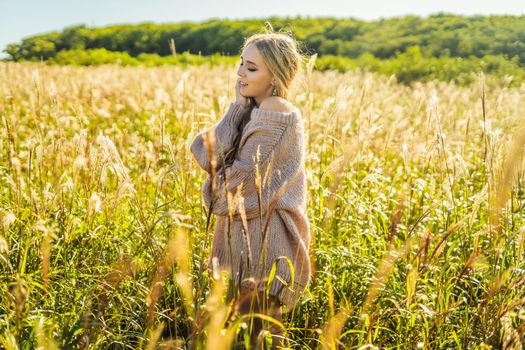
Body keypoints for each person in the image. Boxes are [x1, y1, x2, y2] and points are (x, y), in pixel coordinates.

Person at [190, 30, 311, 348]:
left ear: (275, 76)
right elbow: (208, 152)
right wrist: (238, 106)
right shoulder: (258, 109)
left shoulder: (276, 111)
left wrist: (236, 110)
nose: (241, 72)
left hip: (263, 247)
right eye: (241, 64)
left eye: (252, 68)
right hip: (249, 243)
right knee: (253, 335)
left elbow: (231, 186)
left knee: (261, 336)